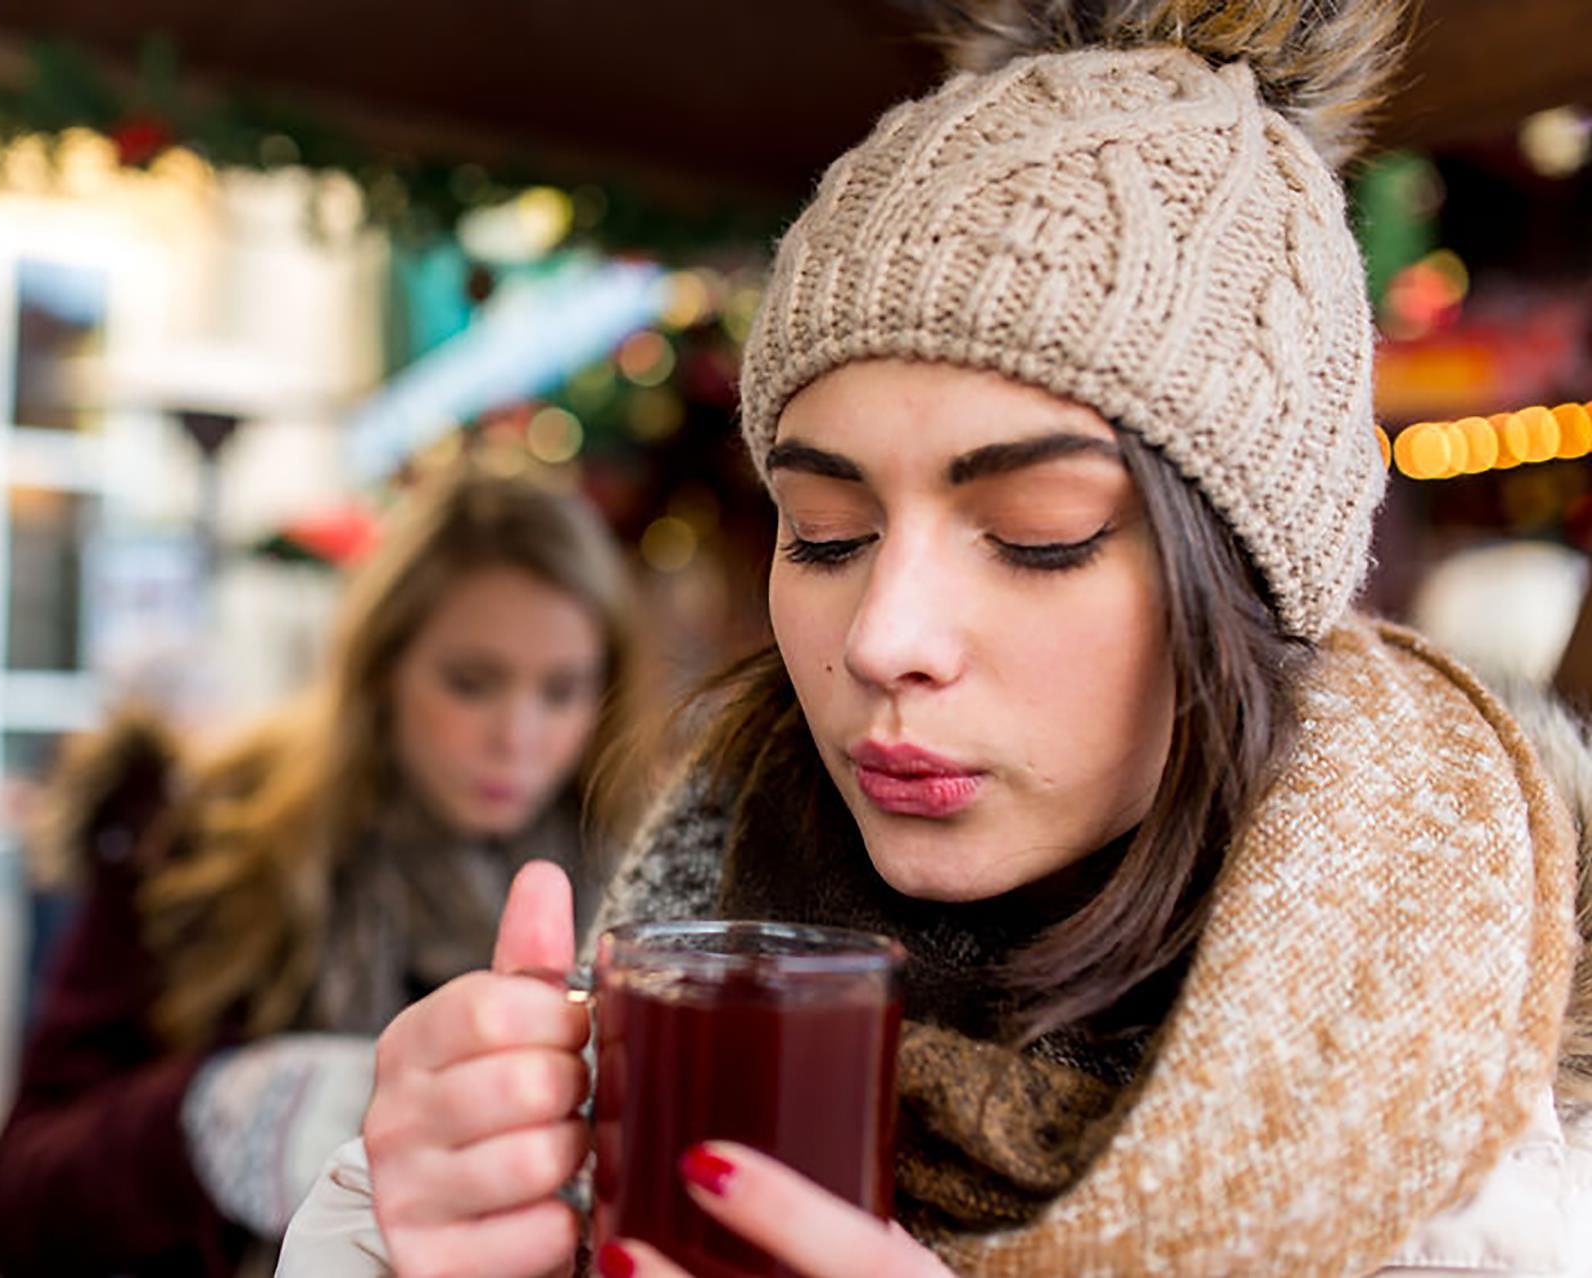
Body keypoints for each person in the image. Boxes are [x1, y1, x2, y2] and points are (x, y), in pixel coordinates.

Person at [282, 2, 1592, 1275]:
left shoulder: (1535, 1180)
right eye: (827, 531)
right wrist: (386, 1236)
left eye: (1038, 530)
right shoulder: (666, 1025)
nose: (882, 637)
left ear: (1257, 594)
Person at [0, 470, 639, 1278]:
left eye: (562, 690)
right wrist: (214, 1117)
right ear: (384, 666)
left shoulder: (636, 895)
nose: (518, 736)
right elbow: (16, 1203)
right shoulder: (200, 842)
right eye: (472, 682)